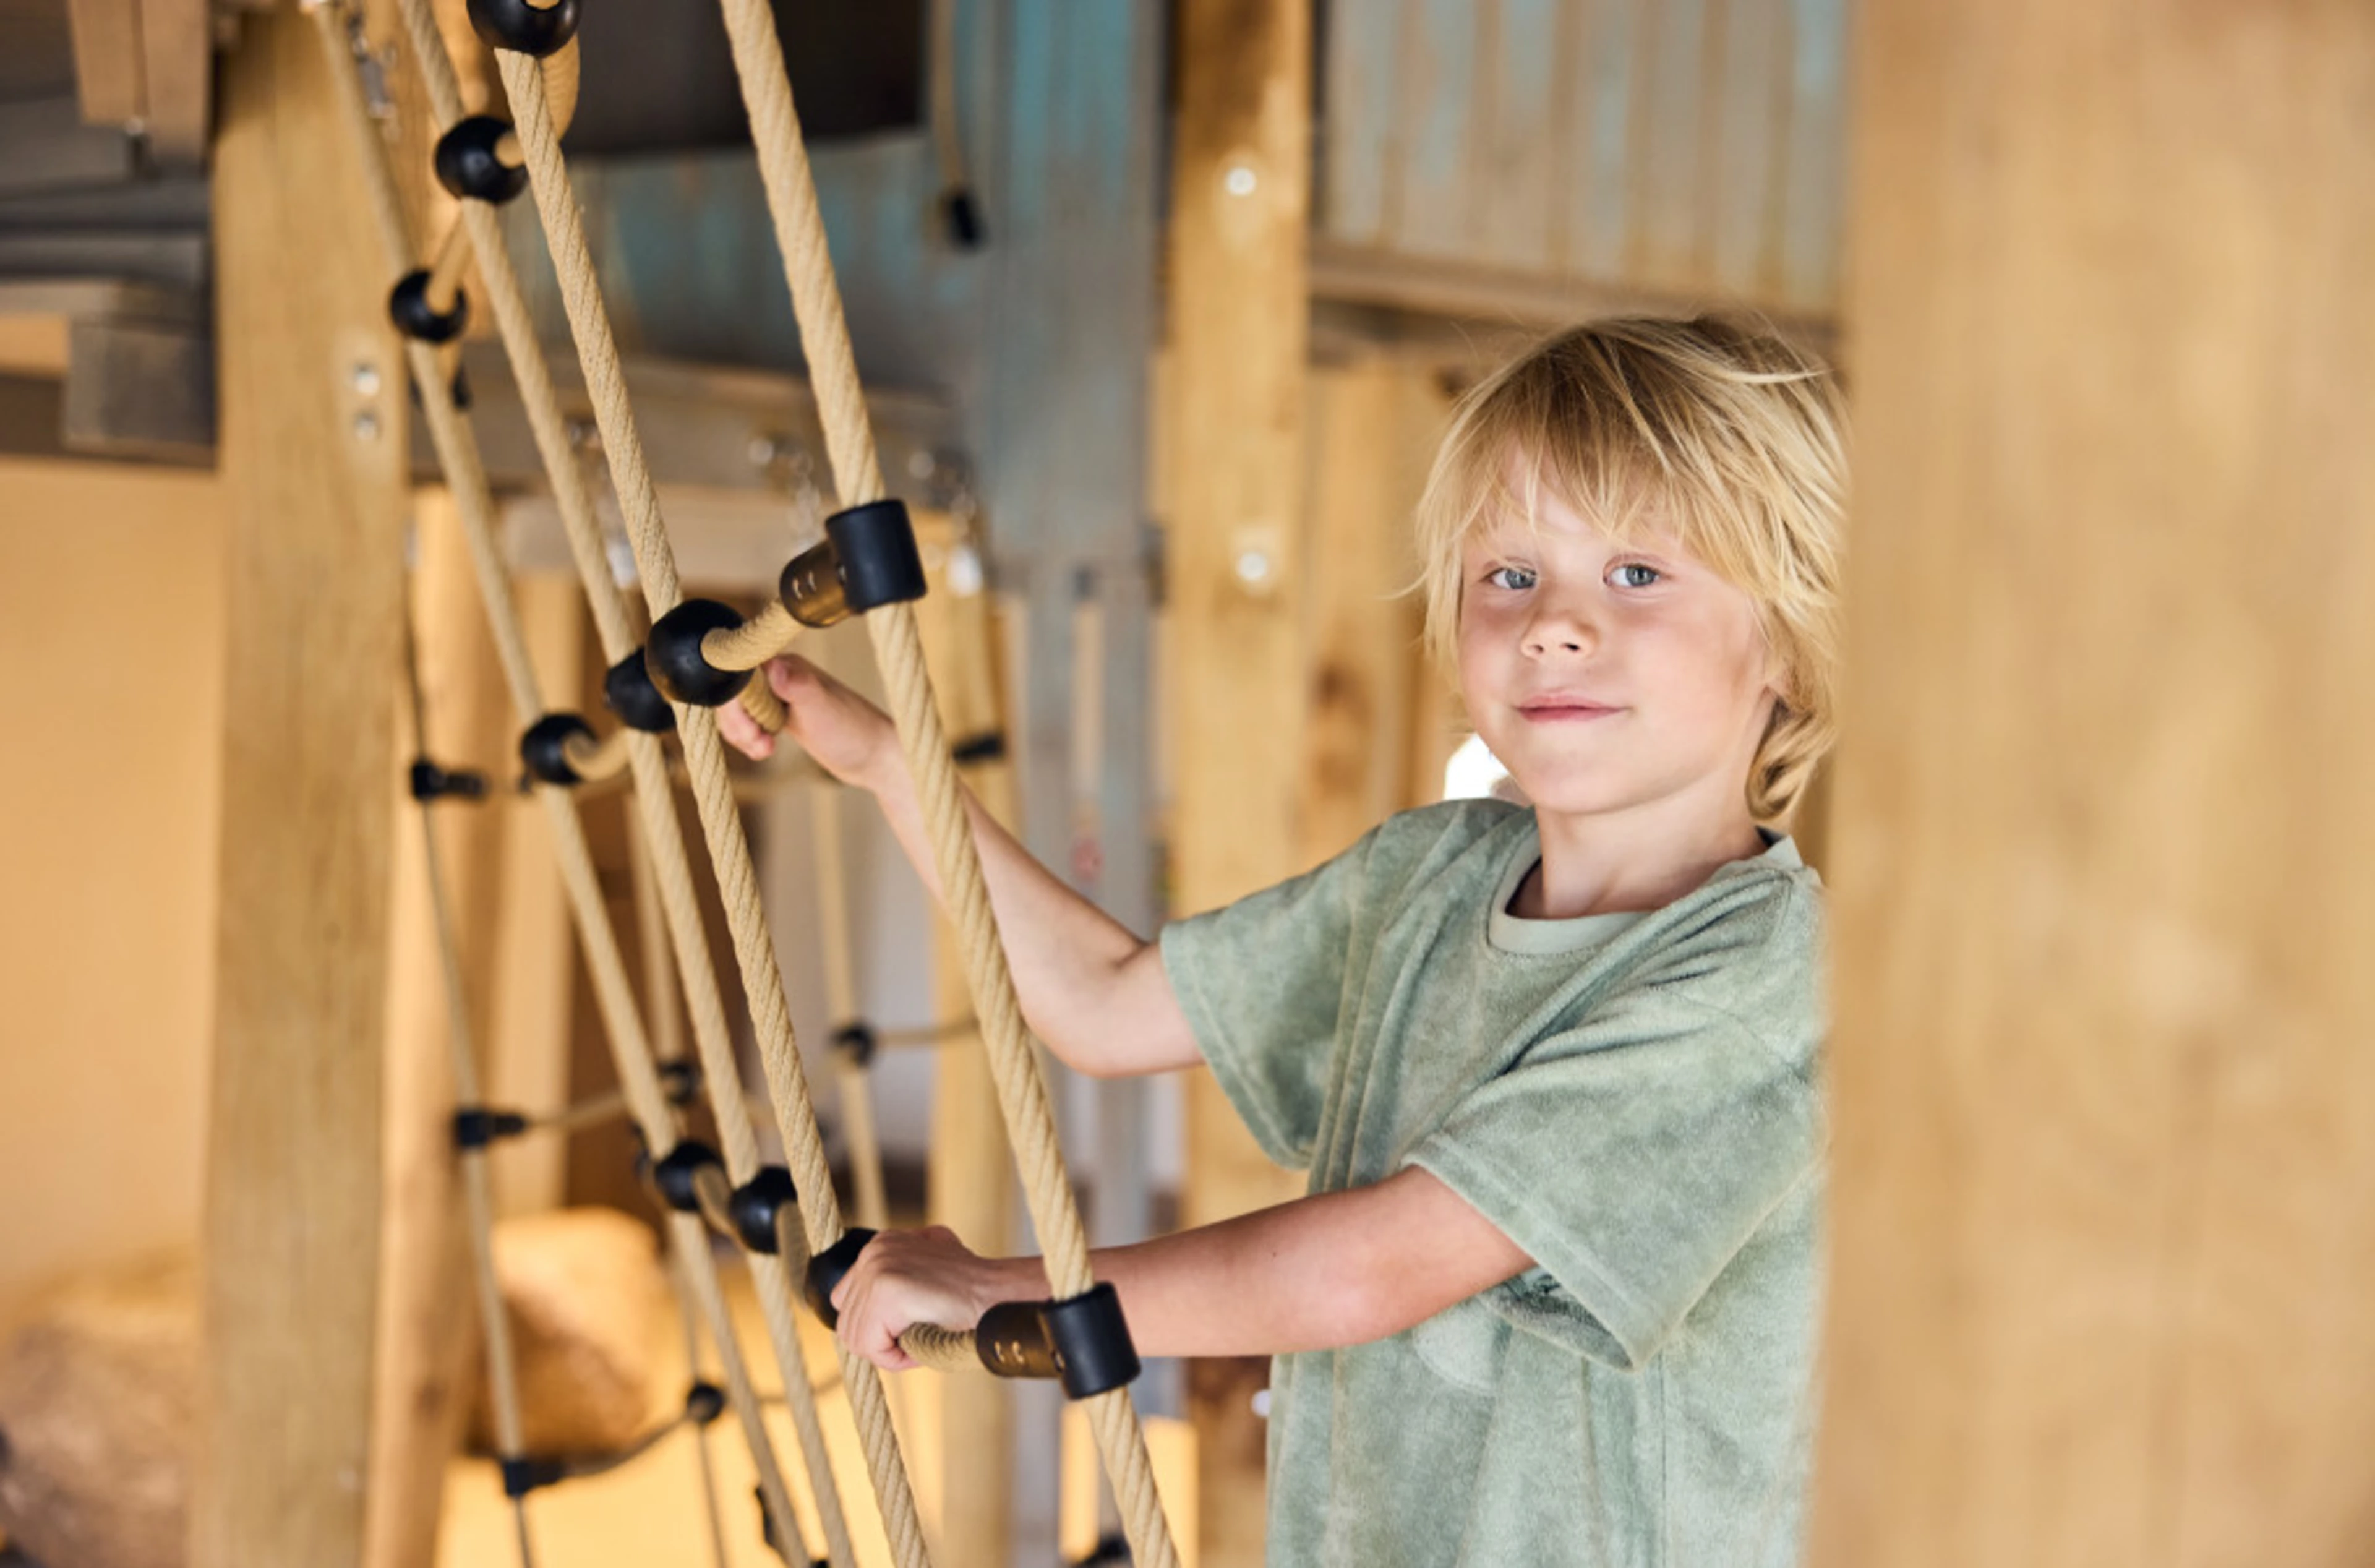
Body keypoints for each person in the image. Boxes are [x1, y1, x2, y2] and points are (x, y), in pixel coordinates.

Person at [722, 314, 1845, 1567]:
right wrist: (891, 766)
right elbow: (1102, 1000)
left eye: (1638, 575)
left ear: (1788, 648)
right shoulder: (1428, 876)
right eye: (1509, 574)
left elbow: (1379, 1266)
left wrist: (1008, 1286)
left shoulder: (1760, 989)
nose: (1554, 625)